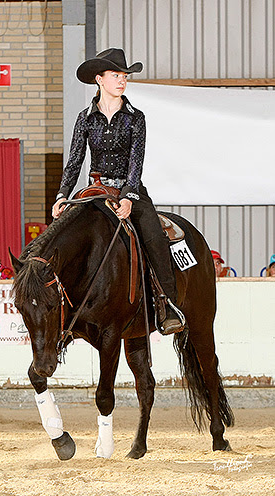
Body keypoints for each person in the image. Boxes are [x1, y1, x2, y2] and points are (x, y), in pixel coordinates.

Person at [52, 48, 184, 335]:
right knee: (67, 235)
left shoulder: (136, 117)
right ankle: (63, 313)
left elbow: (137, 161)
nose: (122, 80)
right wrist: (63, 195)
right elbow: (74, 160)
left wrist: (128, 196)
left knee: (153, 235)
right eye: (116, 75)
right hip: (96, 190)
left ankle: (168, 305)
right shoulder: (85, 118)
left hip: (130, 189)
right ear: (99, 79)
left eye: (124, 76)